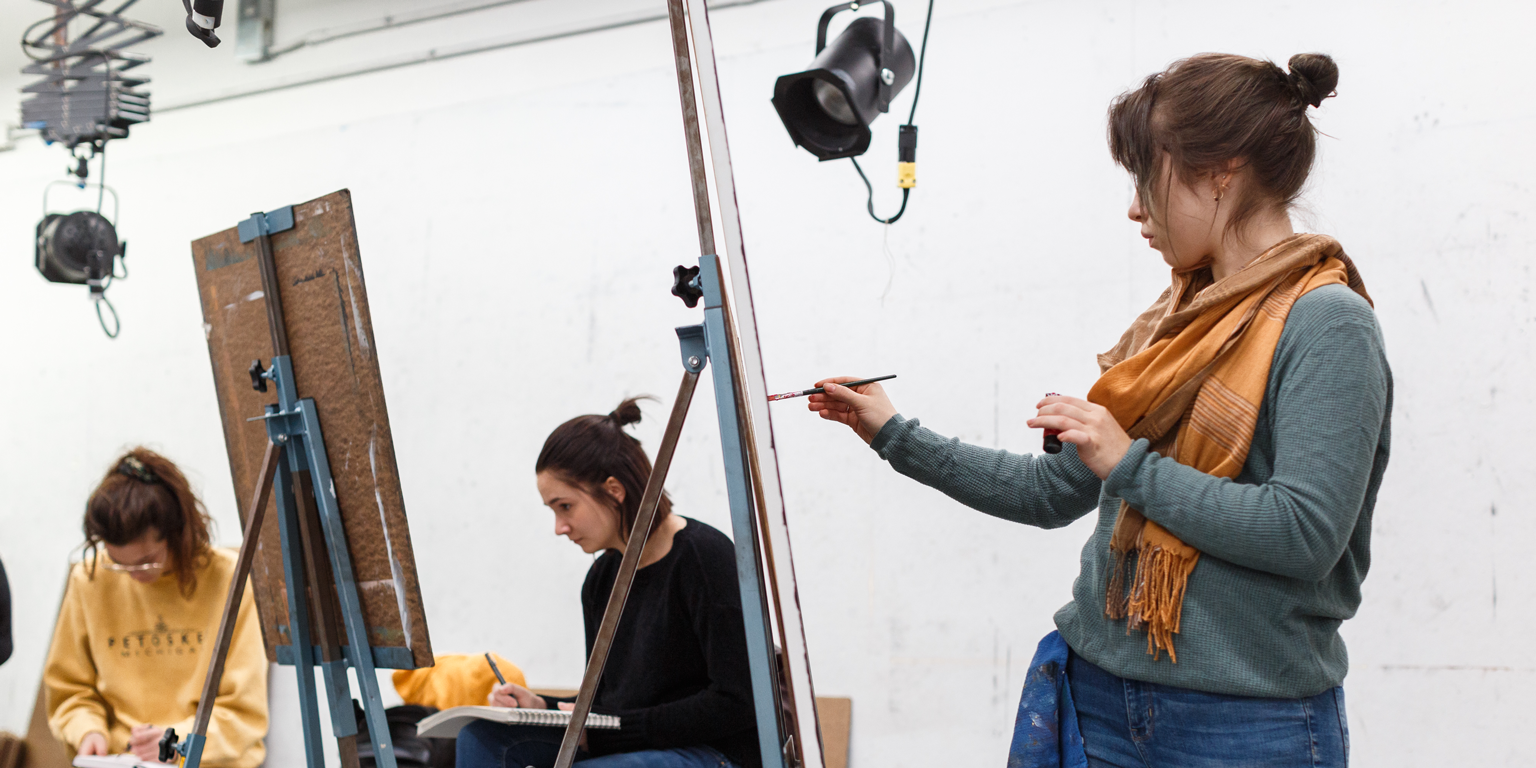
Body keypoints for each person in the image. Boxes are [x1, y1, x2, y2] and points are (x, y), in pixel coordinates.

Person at [810, 53, 1390, 767]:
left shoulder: (1327, 323)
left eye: (1147, 176)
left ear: (1221, 171)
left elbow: (1303, 533)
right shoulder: (1174, 324)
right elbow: (1050, 492)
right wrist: (892, 432)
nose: (1135, 207)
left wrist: (1128, 463)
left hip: (1244, 728)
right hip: (1097, 699)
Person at [456, 398, 759, 768]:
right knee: (482, 740)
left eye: (564, 506)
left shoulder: (704, 557)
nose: (559, 528)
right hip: (633, 747)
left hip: (714, 752)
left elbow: (738, 700)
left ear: (614, 490)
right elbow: (605, 705)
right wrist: (540, 705)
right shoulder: (601, 579)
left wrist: (613, 732)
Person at [44, 448, 268, 767]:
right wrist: (87, 731)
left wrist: (176, 742)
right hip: (121, 759)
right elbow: (70, 691)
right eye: (119, 564)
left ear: (177, 533)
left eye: (146, 561)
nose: (134, 576)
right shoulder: (90, 579)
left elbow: (244, 711)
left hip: (206, 759)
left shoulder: (230, 581)